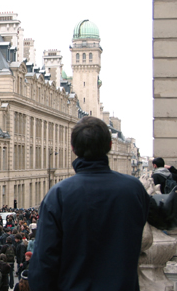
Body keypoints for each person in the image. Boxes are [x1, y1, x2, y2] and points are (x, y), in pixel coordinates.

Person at [28, 116, 150, 291]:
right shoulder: (134, 189)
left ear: (73, 148)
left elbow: (43, 263)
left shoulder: (59, 194)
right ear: (109, 146)